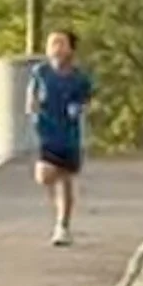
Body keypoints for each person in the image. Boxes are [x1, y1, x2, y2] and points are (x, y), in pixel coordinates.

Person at [28, 29, 93, 246]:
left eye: (60, 43)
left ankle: (62, 226)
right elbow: (32, 96)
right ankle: (59, 214)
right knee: (45, 176)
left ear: (70, 49)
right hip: (47, 133)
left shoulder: (78, 78)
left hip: (69, 135)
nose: (55, 47)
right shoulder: (41, 72)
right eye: (52, 43)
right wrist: (33, 108)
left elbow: (86, 100)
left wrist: (79, 108)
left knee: (65, 180)